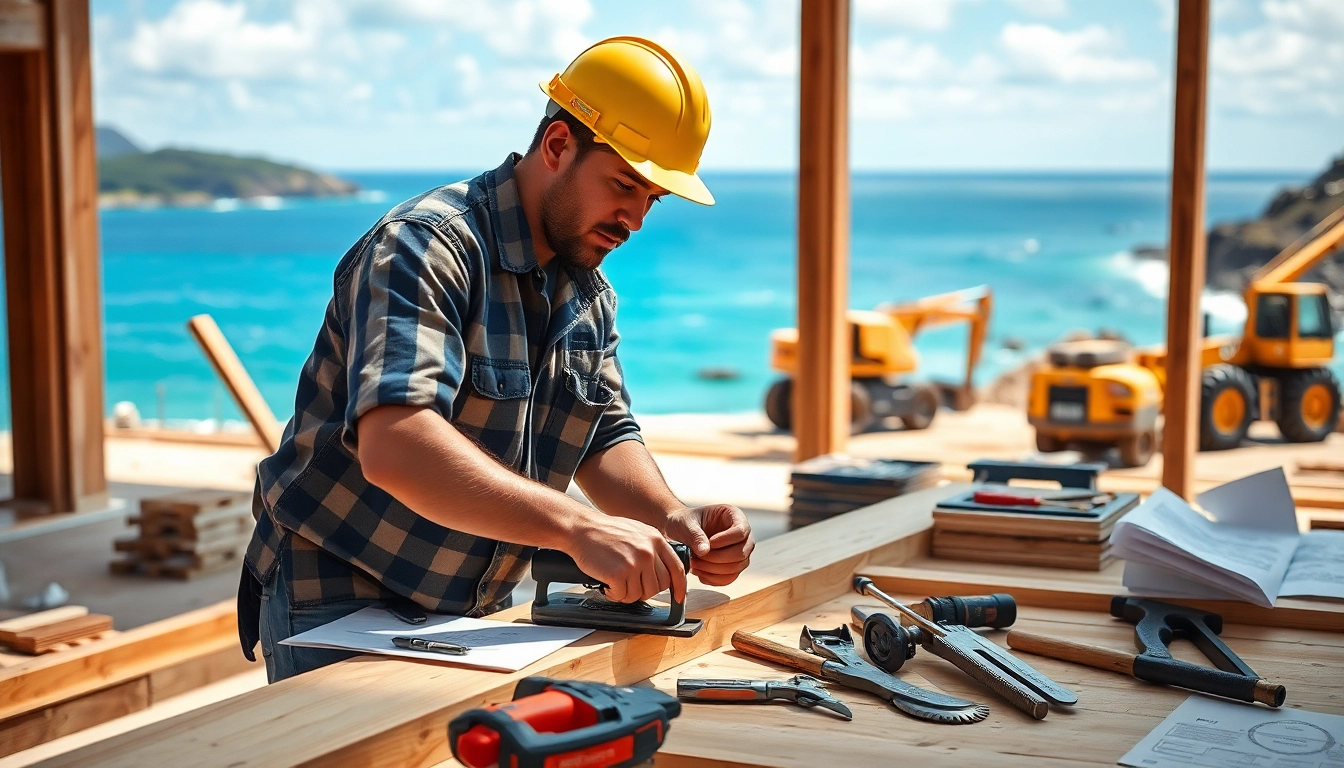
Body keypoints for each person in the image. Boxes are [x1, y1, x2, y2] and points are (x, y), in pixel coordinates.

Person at [237, 36, 755, 682]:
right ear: (558, 145)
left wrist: (674, 516)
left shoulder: (589, 293)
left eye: (652, 198)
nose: (635, 219)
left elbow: (601, 435)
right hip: (340, 595)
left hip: (473, 608)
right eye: (624, 185)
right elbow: (396, 443)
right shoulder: (428, 247)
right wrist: (576, 529)